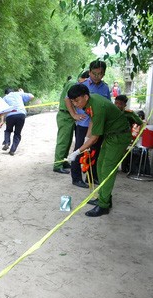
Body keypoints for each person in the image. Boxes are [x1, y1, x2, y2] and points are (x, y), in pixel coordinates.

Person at [66, 84, 131, 217]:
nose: (75, 104)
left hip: (119, 136)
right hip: (111, 135)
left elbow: (95, 138)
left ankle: (103, 205)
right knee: (100, 165)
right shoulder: (90, 102)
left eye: (77, 100)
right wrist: (85, 139)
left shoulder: (97, 106)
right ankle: (104, 197)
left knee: (107, 170)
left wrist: (77, 151)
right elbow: (92, 122)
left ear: (85, 96)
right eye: (72, 101)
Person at [53, 71, 89, 174]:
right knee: (63, 141)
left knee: (68, 141)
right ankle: (57, 164)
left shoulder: (73, 83)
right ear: (84, 79)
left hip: (69, 116)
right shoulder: (74, 84)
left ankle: (63, 161)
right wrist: (74, 114)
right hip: (66, 116)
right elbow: (67, 99)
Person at [0, 88, 30, 156]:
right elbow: (31, 96)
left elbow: (3, 110)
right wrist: (23, 93)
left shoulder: (5, 97)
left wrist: (2, 121)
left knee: (8, 131)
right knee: (17, 133)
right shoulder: (19, 94)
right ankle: (12, 150)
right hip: (21, 115)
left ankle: (7, 143)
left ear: (6, 93)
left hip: (10, 116)